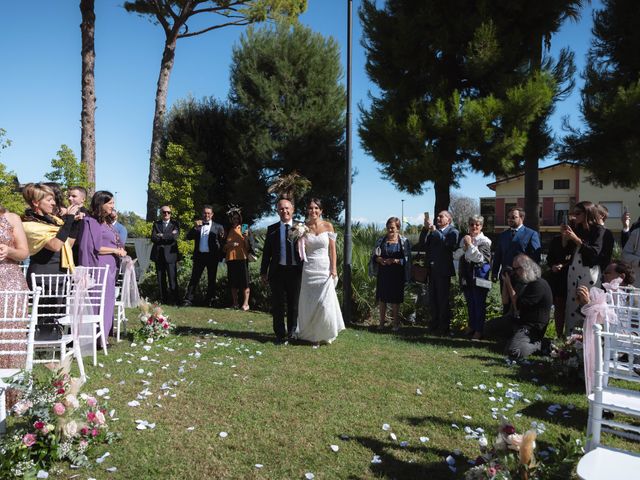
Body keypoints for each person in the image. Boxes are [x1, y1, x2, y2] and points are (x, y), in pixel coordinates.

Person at [77, 191, 127, 340]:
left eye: (113, 203)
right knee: (99, 301)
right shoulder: (91, 221)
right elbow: (91, 247)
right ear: (101, 204)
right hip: (99, 267)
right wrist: (114, 250)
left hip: (111, 268)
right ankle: (95, 337)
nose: (113, 206)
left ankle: (103, 335)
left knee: (108, 301)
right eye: (110, 203)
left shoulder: (106, 222)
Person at [296, 198, 345, 344]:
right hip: (309, 268)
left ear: (321, 210)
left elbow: (332, 249)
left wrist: (334, 268)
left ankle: (324, 333)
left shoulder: (328, 226)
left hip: (324, 268)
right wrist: (299, 237)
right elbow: (301, 250)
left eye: (316, 208)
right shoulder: (303, 227)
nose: (313, 211)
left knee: (324, 303)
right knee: (309, 302)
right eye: (310, 208)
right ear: (307, 210)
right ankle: (311, 335)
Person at [485, 254, 552, 359]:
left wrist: (509, 284)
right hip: (518, 322)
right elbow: (505, 301)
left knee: (513, 351)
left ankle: (541, 344)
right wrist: (506, 282)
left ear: (526, 268)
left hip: (532, 328)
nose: (514, 272)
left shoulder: (538, 285)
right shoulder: (523, 282)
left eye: (516, 269)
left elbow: (518, 307)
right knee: (488, 328)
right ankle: (514, 340)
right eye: (513, 269)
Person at [260, 197, 302, 343]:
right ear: (278, 211)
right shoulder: (272, 229)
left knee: (294, 304)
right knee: (277, 304)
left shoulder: (301, 227)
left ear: (293, 209)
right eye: (281, 208)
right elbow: (267, 253)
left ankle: (292, 332)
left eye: (287, 208)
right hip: (277, 271)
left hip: (296, 271)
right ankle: (279, 334)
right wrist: (263, 272)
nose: (284, 211)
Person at [563, 201, 608, 335]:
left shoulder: (599, 231)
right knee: (571, 305)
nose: (575, 216)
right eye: (573, 213)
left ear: (587, 213)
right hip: (573, 271)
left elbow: (595, 253)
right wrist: (565, 237)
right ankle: (569, 340)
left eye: (578, 213)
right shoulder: (577, 229)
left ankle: (588, 339)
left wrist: (576, 239)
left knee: (586, 304)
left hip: (589, 272)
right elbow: (566, 250)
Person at [21, 183, 80, 279]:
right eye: (49, 200)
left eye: (53, 199)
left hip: (61, 274)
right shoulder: (28, 224)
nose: (54, 203)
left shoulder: (55, 220)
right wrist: (69, 219)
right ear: (36, 202)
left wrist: (75, 223)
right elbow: (55, 246)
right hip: (43, 276)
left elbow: (68, 244)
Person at [0, 203, 30, 383]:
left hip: (9, 283)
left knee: (10, 335)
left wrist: (9, 250)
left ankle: (10, 393)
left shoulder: (11, 218)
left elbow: (24, 253)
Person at [491, 208, 541, 313]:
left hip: (523, 278)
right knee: (506, 306)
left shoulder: (531, 234)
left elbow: (535, 257)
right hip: (506, 276)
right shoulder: (503, 235)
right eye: (508, 217)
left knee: (520, 306)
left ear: (522, 218)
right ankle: (506, 328)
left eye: (513, 217)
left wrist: (532, 275)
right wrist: (495, 272)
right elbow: (498, 255)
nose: (510, 219)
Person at [453, 215, 491, 340]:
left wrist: (469, 245)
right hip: (466, 275)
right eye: (471, 224)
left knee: (479, 303)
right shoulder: (464, 239)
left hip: (480, 276)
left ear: (481, 226)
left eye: (477, 224)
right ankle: (472, 326)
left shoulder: (485, 241)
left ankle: (479, 330)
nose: (474, 227)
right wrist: (464, 247)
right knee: (470, 302)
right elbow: (456, 256)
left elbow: (480, 258)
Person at [370, 217, 411, 331]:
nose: (390, 230)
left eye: (392, 228)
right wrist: (379, 260)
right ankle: (381, 323)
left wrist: (396, 261)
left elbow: (407, 260)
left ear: (398, 228)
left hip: (397, 274)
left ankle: (395, 324)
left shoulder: (404, 241)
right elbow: (374, 256)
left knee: (395, 300)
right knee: (382, 298)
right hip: (383, 273)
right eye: (388, 227)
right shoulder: (381, 240)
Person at [423, 210, 459, 335]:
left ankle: (444, 328)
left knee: (443, 299)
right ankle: (434, 325)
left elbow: (449, 245)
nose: (438, 218)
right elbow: (424, 245)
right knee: (433, 299)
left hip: (443, 271)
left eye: (441, 216)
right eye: (437, 216)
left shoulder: (453, 231)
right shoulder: (433, 232)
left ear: (448, 220)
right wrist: (426, 229)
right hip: (432, 271)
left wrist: (435, 232)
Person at [183, 205, 225, 307]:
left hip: (212, 257)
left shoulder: (218, 227)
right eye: (205, 213)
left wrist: (221, 256)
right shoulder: (198, 225)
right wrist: (195, 228)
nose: (206, 215)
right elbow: (188, 237)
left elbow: (222, 242)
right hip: (199, 256)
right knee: (194, 279)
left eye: (208, 213)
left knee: (211, 279)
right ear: (202, 214)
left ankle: (209, 301)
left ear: (212, 214)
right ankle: (188, 300)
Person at [222, 207, 255, 311]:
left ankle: (245, 304)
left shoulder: (245, 228)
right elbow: (223, 247)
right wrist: (230, 244)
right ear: (231, 219)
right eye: (233, 218)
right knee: (233, 282)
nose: (235, 220)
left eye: (237, 218)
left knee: (245, 282)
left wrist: (245, 238)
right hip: (231, 258)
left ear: (240, 218)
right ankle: (235, 303)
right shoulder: (228, 230)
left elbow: (249, 247)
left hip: (242, 257)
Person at [150, 206, 180, 305]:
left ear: (171, 213)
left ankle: (175, 300)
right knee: (160, 279)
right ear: (161, 213)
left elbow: (174, 237)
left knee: (172, 279)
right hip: (159, 255)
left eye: (168, 212)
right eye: (164, 212)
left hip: (170, 255)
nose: (166, 214)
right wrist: (168, 236)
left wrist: (162, 235)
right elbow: (153, 238)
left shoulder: (175, 224)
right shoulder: (156, 224)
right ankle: (164, 300)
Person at [545, 231, 572, 338]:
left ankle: (572, 335)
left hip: (573, 275)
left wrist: (564, 266)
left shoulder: (576, 240)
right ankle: (559, 334)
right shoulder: (556, 240)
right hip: (558, 277)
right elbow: (549, 258)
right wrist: (553, 266)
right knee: (559, 305)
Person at [67, 186, 88, 265]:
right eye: (69, 196)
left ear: (83, 199)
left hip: (80, 255)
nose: (69, 198)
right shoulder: (64, 213)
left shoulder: (88, 216)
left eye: (74, 196)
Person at [595, 204, 615, 272]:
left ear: (602, 215)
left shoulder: (607, 233)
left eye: (593, 213)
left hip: (598, 271)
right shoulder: (590, 231)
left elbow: (607, 255)